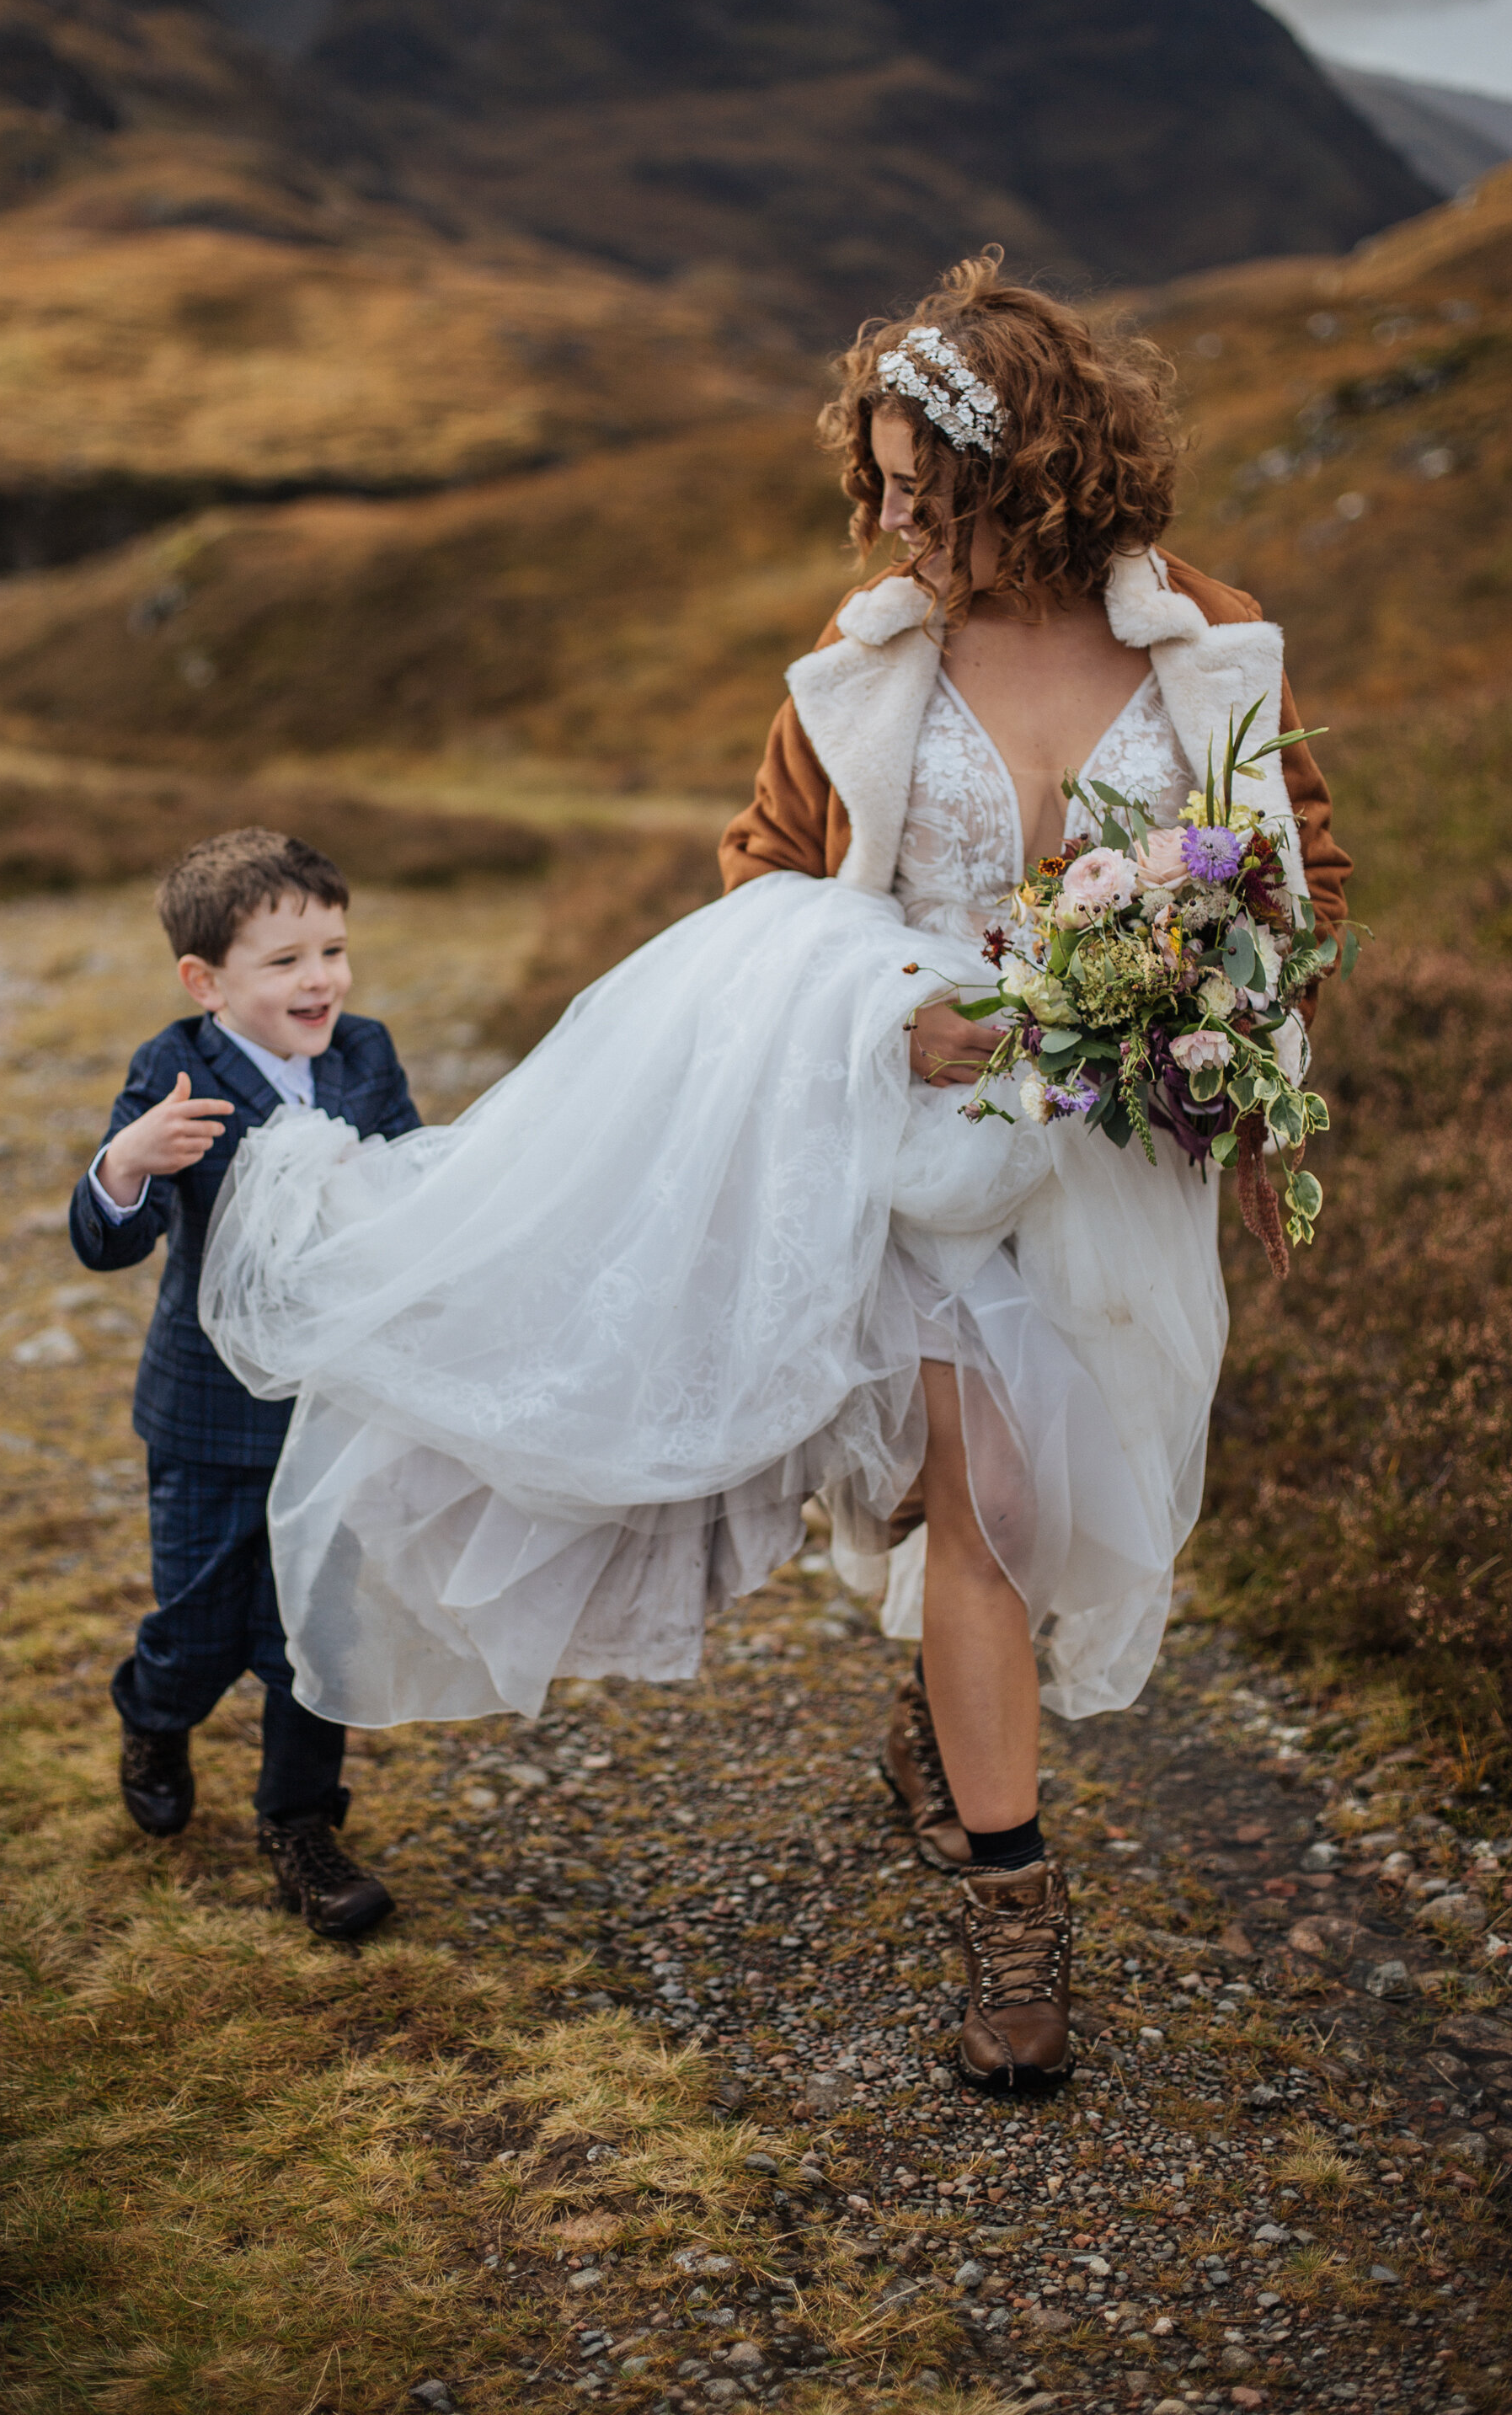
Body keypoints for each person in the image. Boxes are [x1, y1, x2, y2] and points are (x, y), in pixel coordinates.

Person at [200, 257, 1349, 2089]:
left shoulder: (1205, 653)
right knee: (979, 1499)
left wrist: (1199, 1008)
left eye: (922, 484)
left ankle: (939, 1722)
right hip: (919, 1143)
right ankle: (1011, 1907)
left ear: (1033, 467)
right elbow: (768, 887)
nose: (890, 519)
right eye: (875, 483)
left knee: (1054, 1502)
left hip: (1126, 1146)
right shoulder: (865, 672)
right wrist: (889, 1009)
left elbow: (1296, 879)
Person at [70, 827, 419, 1939]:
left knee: (312, 1633)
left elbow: (415, 1182)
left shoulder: (364, 1053)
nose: (320, 979)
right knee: (203, 1624)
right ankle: (154, 1707)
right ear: (206, 981)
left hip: (336, 1404)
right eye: (285, 962)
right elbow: (107, 1243)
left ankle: (302, 1825)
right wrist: (128, 1164)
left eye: (333, 950)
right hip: (213, 1415)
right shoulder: (177, 1074)